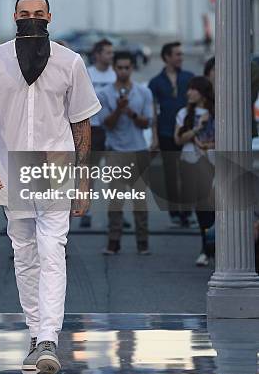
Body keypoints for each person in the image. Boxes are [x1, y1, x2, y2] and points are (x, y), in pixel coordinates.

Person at [0, 0, 101, 374]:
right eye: (25, 13)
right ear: (14, 17)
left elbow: (81, 122)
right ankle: (35, 332)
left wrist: (83, 177)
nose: (31, 19)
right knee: (24, 253)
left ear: (50, 17)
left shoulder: (69, 62)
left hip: (55, 166)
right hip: (12, 169)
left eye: (38, 14)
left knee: (52, 249)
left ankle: (48, 338)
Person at [99, 51, 153, 255]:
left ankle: (143, 242)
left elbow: (147, 122)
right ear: (114, 68)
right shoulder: (104, 93)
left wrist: (129, 112)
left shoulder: (143, 92)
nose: (123, 71)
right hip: (116, 151)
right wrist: (118, 110)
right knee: (116, 200)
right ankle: (113, 242)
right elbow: (107, 125)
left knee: (140, 200)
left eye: (127, 67)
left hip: (138, 150)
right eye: (119, 67)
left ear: (132, 68)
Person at [148, 42, 194, 227]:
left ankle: (187, 212)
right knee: (171, 174)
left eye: (181, 54)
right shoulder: (156, 82)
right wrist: (155, 137)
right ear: (167, 57)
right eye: (177, 54)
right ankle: (175, 213)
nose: (180, 57)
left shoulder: (189, 78)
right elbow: (153, 110)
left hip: (186, 133)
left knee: (188, 173)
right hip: (166, 132)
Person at [174, 76, 215, 267]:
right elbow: (178, 139)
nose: (189, 92)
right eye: (188, 88)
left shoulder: (215, 112)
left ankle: (209, 248)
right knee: (201, 210)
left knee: (213, 208)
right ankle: (206, 247)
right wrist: (198, 128)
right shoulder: (184, 113)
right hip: (191, 162)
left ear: (203, 92)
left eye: (194, 89)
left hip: (212, 163)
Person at [83, 39, 116, 229]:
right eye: (108, 53)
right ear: (97, 54)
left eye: (112, 53)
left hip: (111, 129)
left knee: (114, 175)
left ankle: (116, 212)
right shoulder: (87, 73)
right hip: (92, 128)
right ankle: (85, 210)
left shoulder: (116, 74)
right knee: (89, 173)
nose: (111, 56)